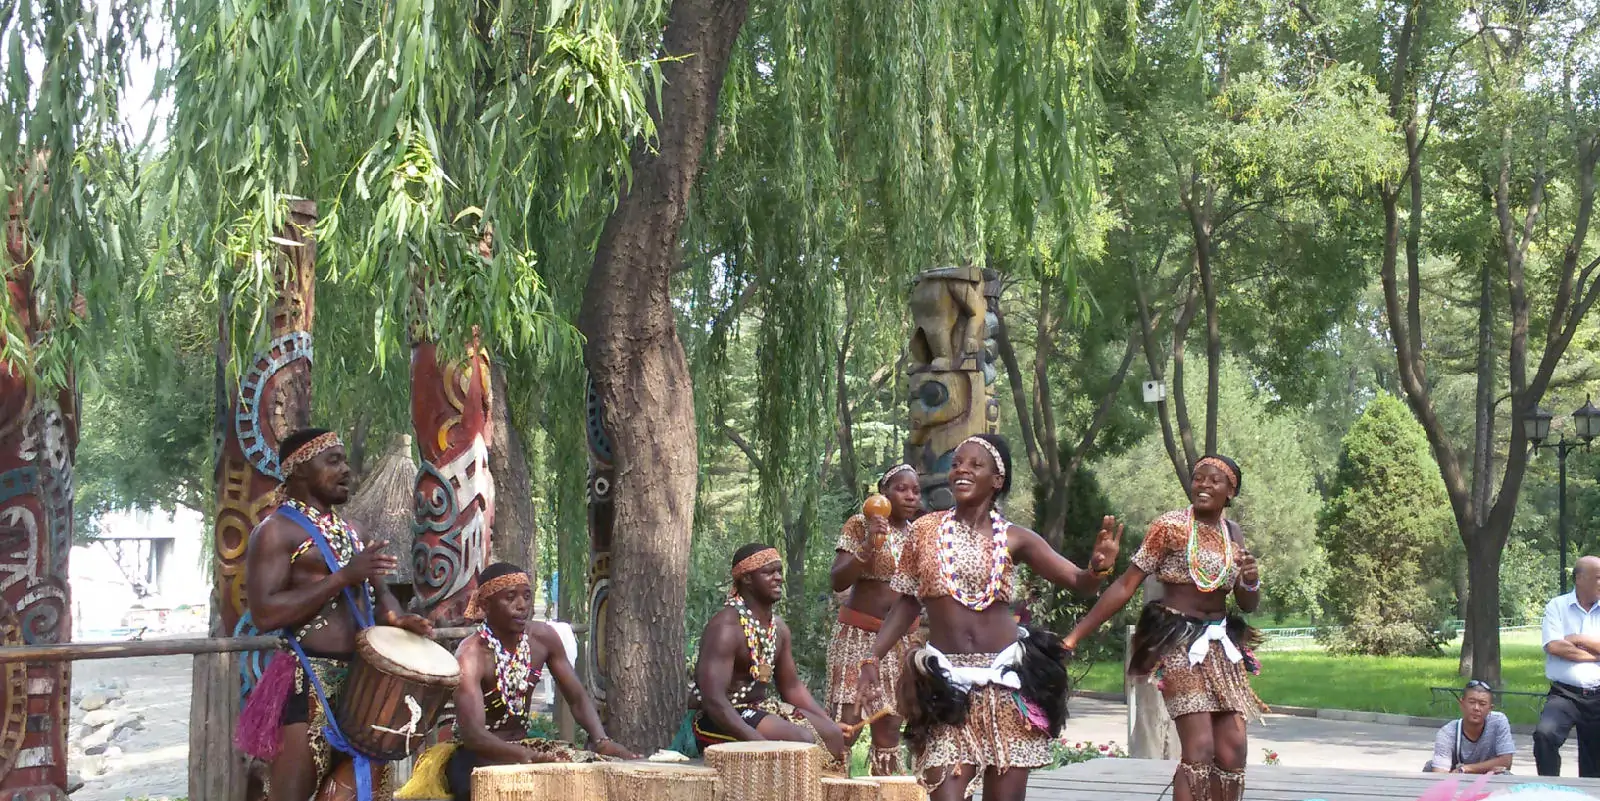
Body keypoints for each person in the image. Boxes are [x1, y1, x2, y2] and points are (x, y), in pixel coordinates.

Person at [857, 434, 1122, 800]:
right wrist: (873, 656)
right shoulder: (925, 530)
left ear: (997, 480)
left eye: (974, 465)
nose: (961, 470)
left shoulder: (1016, 538)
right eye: (956, 464)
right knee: (944, 791)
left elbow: (1079, 582)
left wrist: (1097, 569)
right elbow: (906, 603)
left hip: (1006, 684)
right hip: (943, 684)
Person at [236, 428, 435, 801]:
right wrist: (343, 576)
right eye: (333, 461)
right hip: (307, 681)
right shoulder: (276, 531)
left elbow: (381, 594)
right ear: (297, 470)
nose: (346, 470)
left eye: (344, 461)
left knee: (359, 793)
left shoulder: (352, 531)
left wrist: (396, 619)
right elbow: (265, 613)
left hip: (363, 682)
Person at [1064, 454, 1267, 801]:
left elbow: (1247, 604)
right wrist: (1073, 637)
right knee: (1199, 749)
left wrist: (1250, 581)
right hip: (1178, 641)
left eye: (1213, 481)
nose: (1203, 485)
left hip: (1221, 646)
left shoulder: (1233, 533)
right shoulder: (1170, 526)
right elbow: (1126, 586)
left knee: (1234, 752)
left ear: (1230, 492)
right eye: (1198, 478)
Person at [394, 562, 636, 801]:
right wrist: (526, 756)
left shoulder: (543, 638)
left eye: (527, 597)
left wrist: (601, 740)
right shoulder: (471, 655)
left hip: (524, 746)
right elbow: (473, 735)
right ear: (486, 605)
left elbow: (576, 698)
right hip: (477, 755)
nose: (522, 606)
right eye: (510, 597)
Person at [692, 544, 849, 765]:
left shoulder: (778, 628)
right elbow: (714, 700)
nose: (779, 578)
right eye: (769, 572)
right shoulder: (726, 627)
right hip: (718, 717)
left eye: (779, 571)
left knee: (833, 737)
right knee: (800, 741)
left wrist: (827, 721)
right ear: (746, 579)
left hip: (759, 708)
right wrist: (756, 742)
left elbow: (791, 687)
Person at [826, 464, 923, 775]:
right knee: (844, 728)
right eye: (902, 488)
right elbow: (838, 581)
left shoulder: (919, 534)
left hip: (901, 642)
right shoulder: (859, 524)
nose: (910, 496)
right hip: (857, 638)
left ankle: (883, 792)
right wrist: (868, 545)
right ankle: (829, 791)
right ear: (883, 494)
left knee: (889, 731)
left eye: (916, 491)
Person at [1536, 554, 1600, 777]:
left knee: (1595, 761)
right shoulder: (1557, 606)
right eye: (1599, 577)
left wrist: (1577, 638)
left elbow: (1566, 644)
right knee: (1545, 735)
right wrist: (1596, 655)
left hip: (1598, 696)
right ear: (1580, 579)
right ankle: (1550, 790)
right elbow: (1554, 646)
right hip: (1565, 694)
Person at [1427, 680, 1514, 775]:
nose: (1476, 708)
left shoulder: (1498, 721)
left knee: (1505, 774)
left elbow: (1506, 761)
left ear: (1490, 708)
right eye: (1472, 702)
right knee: (1430, 767)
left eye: (1482, 704)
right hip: (1455, 781)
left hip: (1488, 779)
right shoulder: (1447, 733)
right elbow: (1440, 773)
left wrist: (1466, 769)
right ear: (1461, 704)